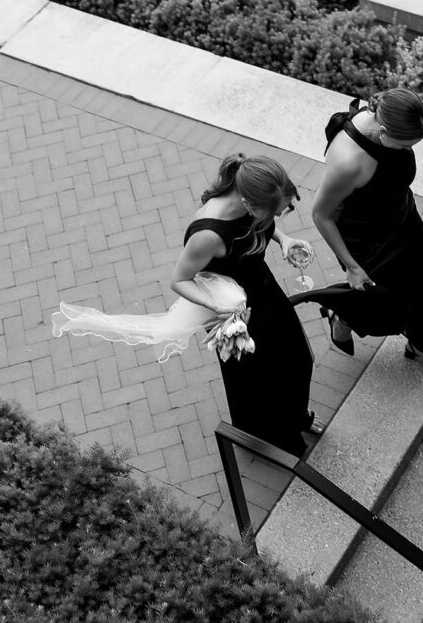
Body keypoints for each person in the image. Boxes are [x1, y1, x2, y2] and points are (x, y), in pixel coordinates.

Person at [53, 154, 323, 457]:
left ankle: (296, 417)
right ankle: (273, 439)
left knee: (297, 359)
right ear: (249, 203)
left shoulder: (252, 189)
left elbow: (263, 223)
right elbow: (179, 280)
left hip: (264, 291)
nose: (274, 218)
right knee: (256, 380)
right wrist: (216, 307)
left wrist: (284, 240)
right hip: (232, 313)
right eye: (271, 212)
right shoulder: (207, 235)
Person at [308, 88, 423, 375]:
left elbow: (422, 111)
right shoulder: (348, 161)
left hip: (403, 218)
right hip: (366, 241)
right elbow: (321, 215)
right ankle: (342, 316)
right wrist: (353, 267)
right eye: (405, 145)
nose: (408, 149)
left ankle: (422, 346)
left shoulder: (392, 112)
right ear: (382, 133)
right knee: (385, 303)